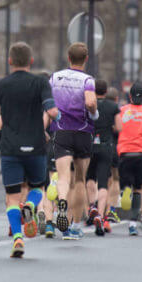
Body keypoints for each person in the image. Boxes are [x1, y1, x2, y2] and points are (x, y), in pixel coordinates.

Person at [0, 42, 57, 259]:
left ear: (10, 61)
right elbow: (51, 110)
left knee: (12, 196)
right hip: (35, 146)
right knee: (37, 188)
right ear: (31, 61)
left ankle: (17, 237)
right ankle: (31, 206)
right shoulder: (40, 82)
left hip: (10, 148)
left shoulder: (0, 85)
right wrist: (60, 116)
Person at [49, 43, 97, 240]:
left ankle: (61, 203)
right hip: (83, 132)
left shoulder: (55, 77)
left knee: (62, 177)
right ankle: (76, 225)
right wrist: (92, 112)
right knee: (79, 179)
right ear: (86, 59)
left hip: (61, 131)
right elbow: (91, 102)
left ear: (68, 57)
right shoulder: (88, 80)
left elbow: (48, 103)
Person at [115, 84, 142, 236]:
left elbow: (115, 128)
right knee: (139, 188)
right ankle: (133, 223)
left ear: (130, 97)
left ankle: (126, 190)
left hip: (124, 152)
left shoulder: (122, 110)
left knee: (127, 183)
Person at [86, 82, 119, 236]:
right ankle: (100, 214)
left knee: (90, 178)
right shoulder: (112, 107)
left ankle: (91, 206)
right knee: (103, 183)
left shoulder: (87, 105)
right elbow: (119, 128)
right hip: (106, 146)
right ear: (106, 91)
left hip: (89, 145)